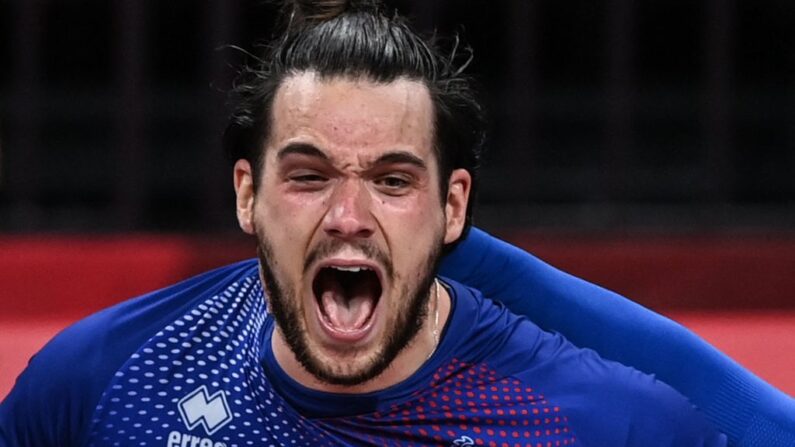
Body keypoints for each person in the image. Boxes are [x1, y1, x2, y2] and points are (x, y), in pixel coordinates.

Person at [0, 0, 736, 445]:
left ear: (452, 207)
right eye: (309, 176)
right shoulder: (103, 381)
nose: (347, 217)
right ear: (246, 193)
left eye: (391, 181)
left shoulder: (607, 424)